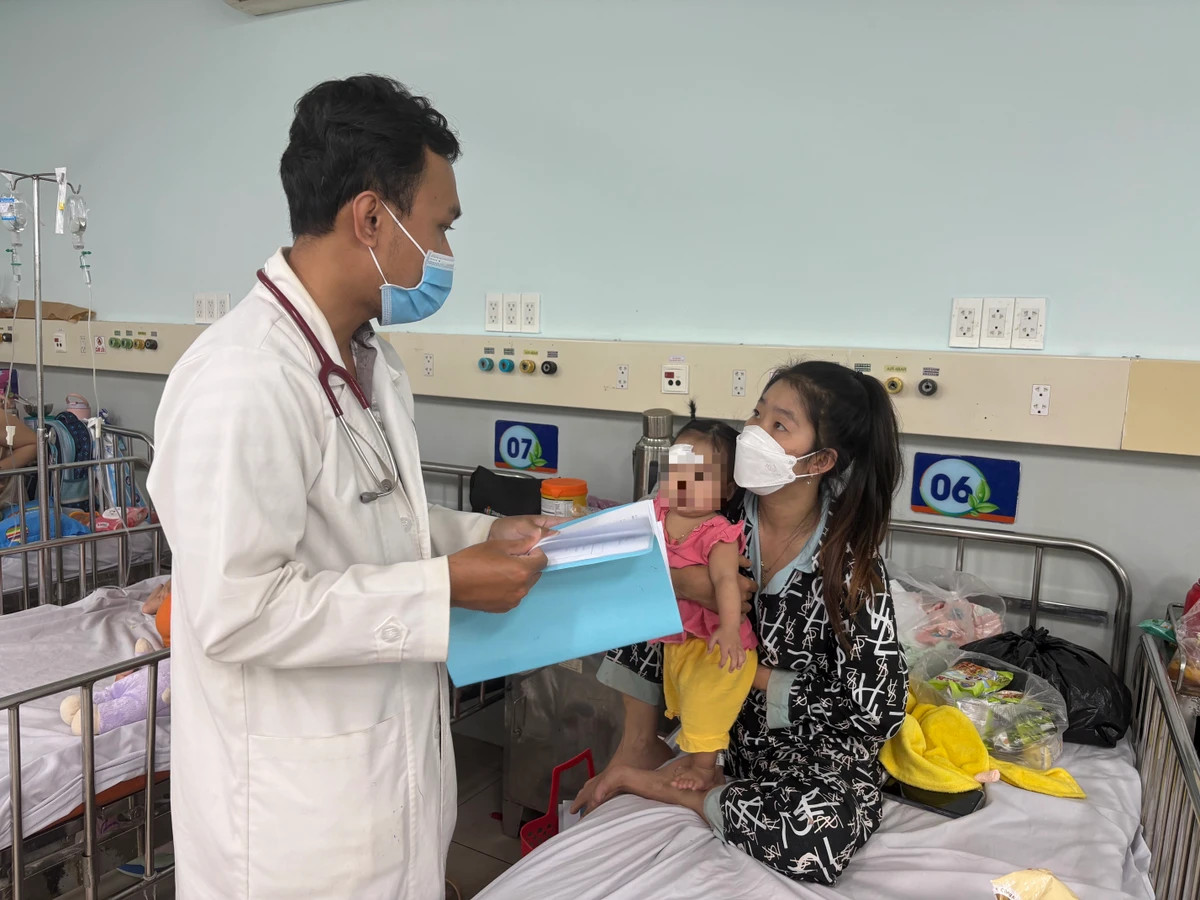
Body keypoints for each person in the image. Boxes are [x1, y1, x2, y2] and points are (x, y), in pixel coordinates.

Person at [147, 75, 554, 900]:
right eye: (440, 226)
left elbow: (372, 517)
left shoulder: (368, 361)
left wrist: (479, 537)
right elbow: (236, 610)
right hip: (293, 829)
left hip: (382, 789)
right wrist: (443, 588)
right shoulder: (243, 379)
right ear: (371, 218)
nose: (445, 252)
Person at [569, 361, 908, 886]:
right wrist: (687, 584)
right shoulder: (716, 505)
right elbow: (627, 561)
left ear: (820, 460)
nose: (753, 432)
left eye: (780, 424)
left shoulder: (848, 561)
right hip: (724, 731)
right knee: (652, 587)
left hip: (807, 752)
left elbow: (878, 707)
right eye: (757, 413)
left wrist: (756, 675)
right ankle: (638, 746)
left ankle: (680, 791)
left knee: (819, 834)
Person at [653, 409, 755, 793]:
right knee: (686, 699)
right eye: (676, 471)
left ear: (726, 489)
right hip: (682, 638)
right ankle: (697, 760)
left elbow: (726, 580)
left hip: (717, 643)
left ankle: (705, 769)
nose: (683, 483)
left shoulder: (718, 532)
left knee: (704, 706)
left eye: (699, 477)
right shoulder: (657, 513)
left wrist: (729, 628)